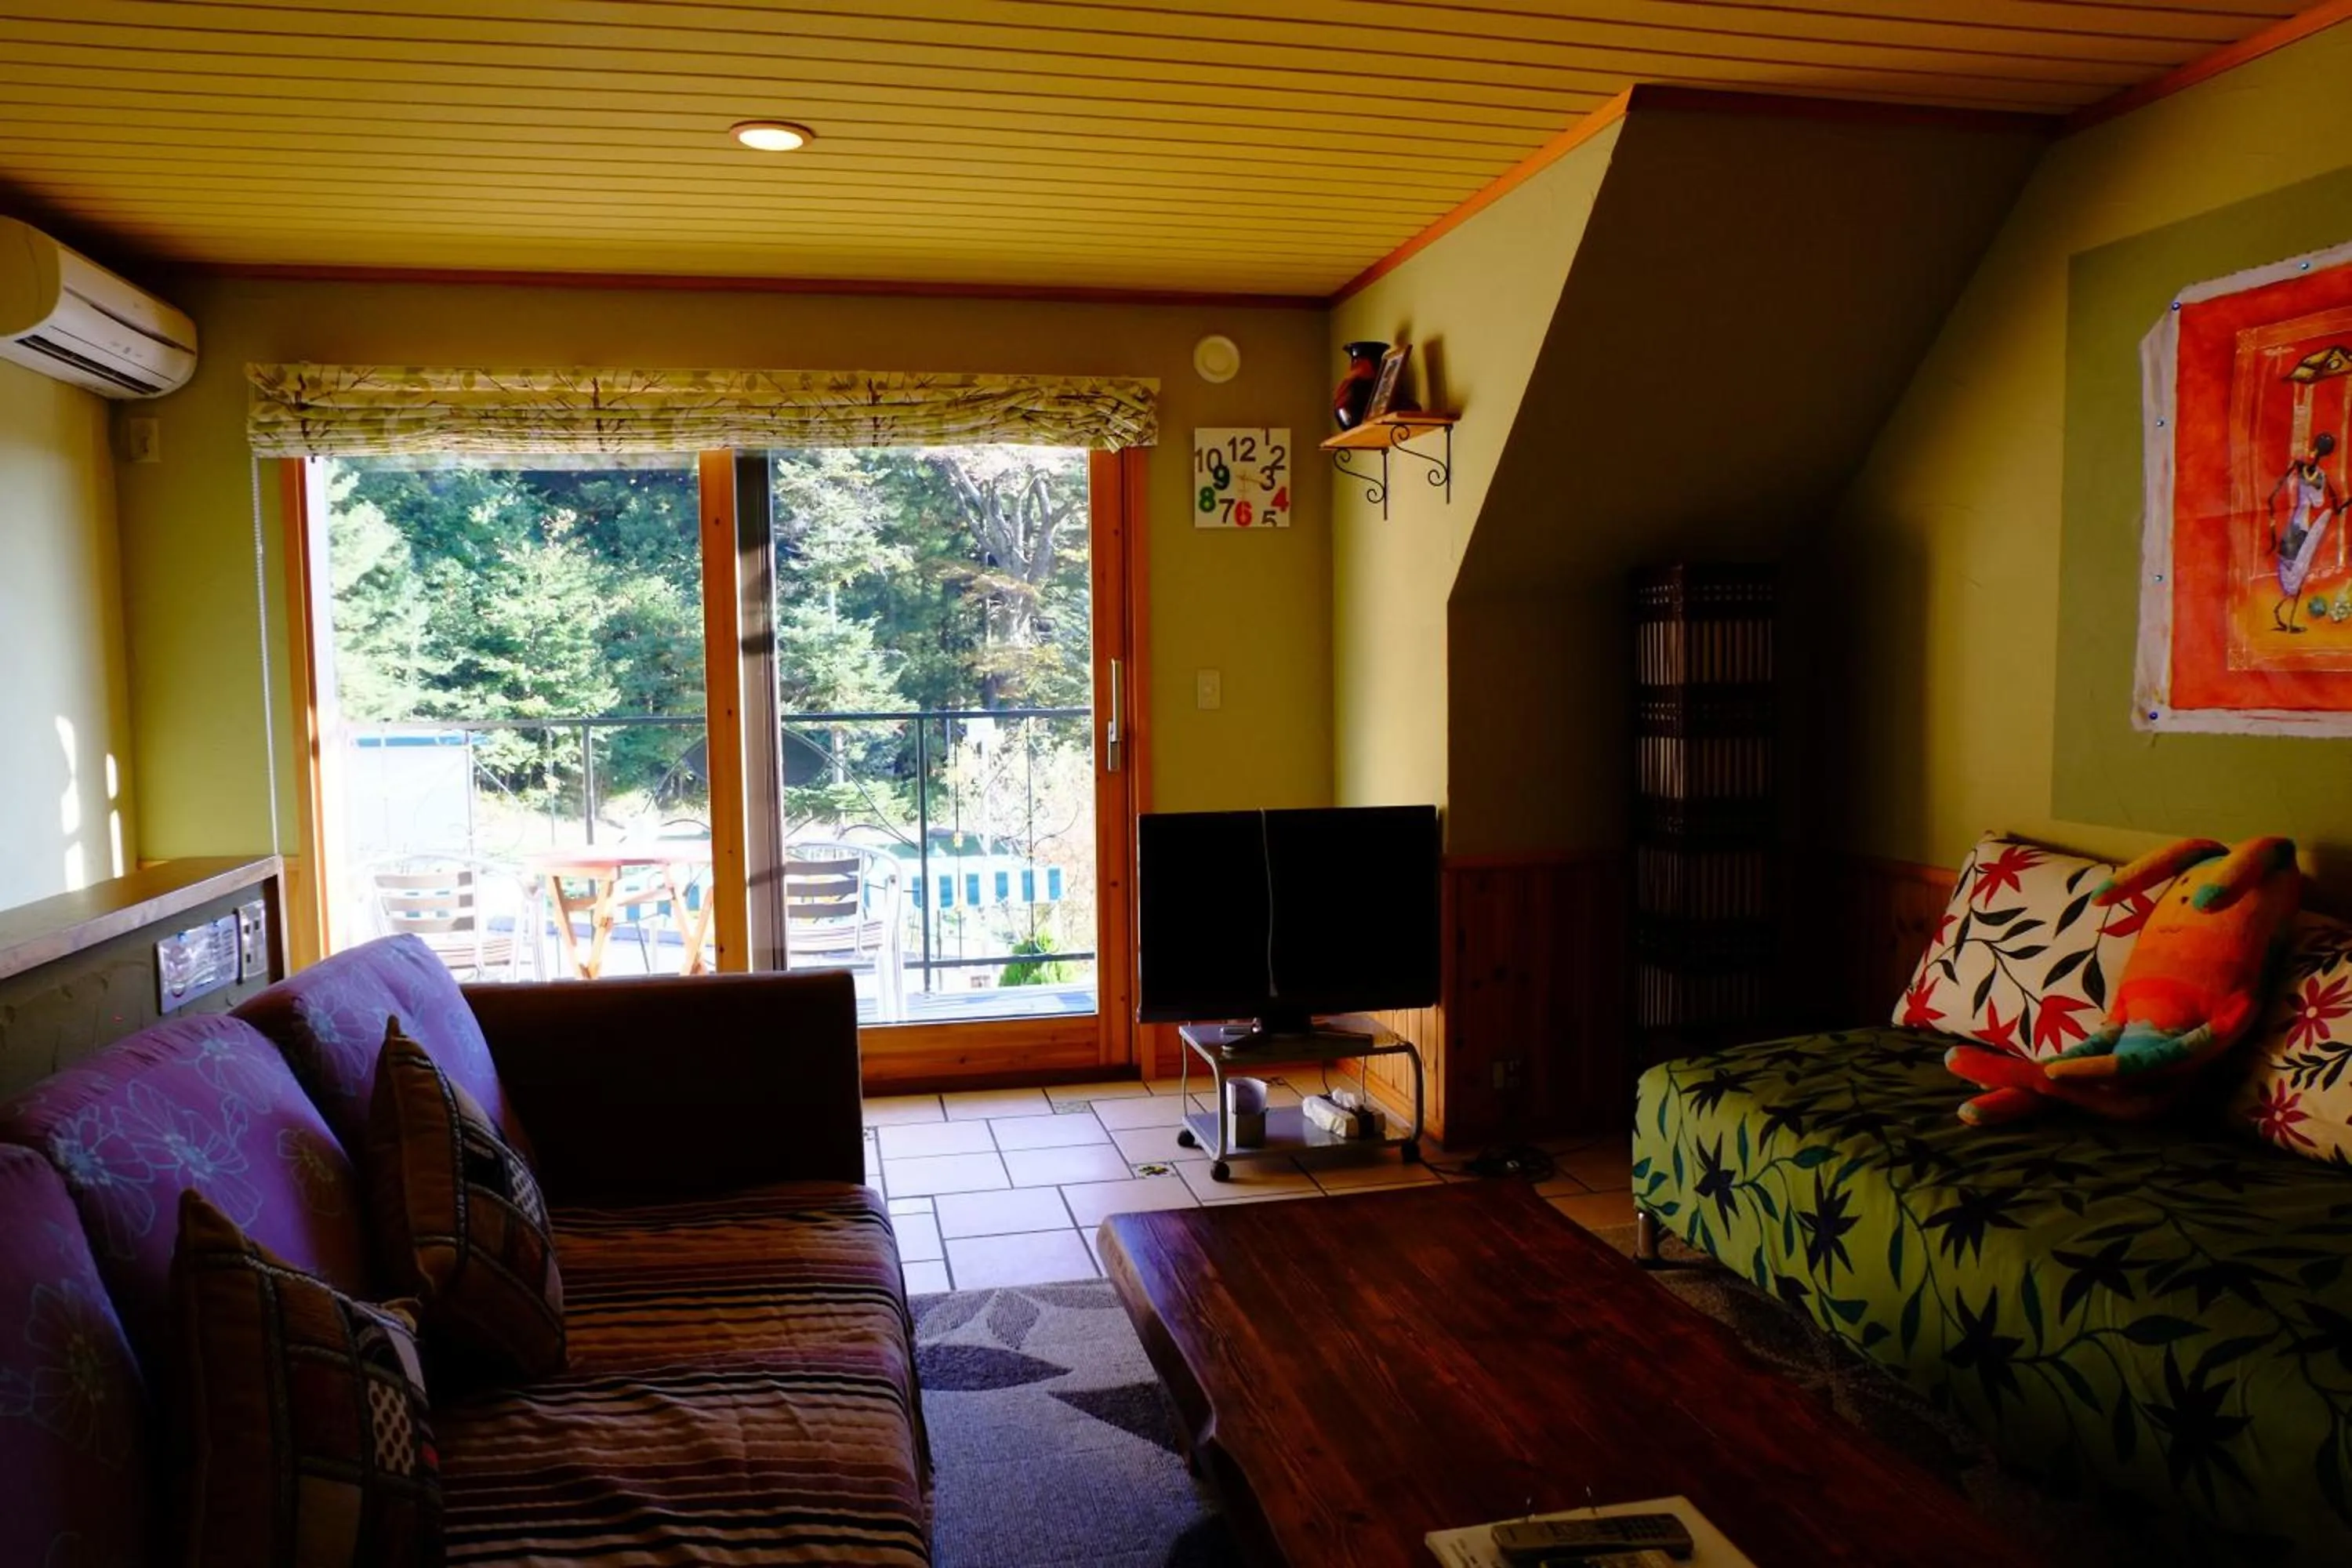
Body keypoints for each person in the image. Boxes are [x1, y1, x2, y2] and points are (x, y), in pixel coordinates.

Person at [2268, 432, 2342, 633]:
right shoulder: (2319, 476)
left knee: (2295, 570)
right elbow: (2322, 503)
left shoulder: (2301, 468)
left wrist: (2273, 534)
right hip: (2303, 527)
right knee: (2297, 570)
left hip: (2297, 525)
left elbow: (2273, 496)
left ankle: (2284, 616)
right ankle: (2284, 616)